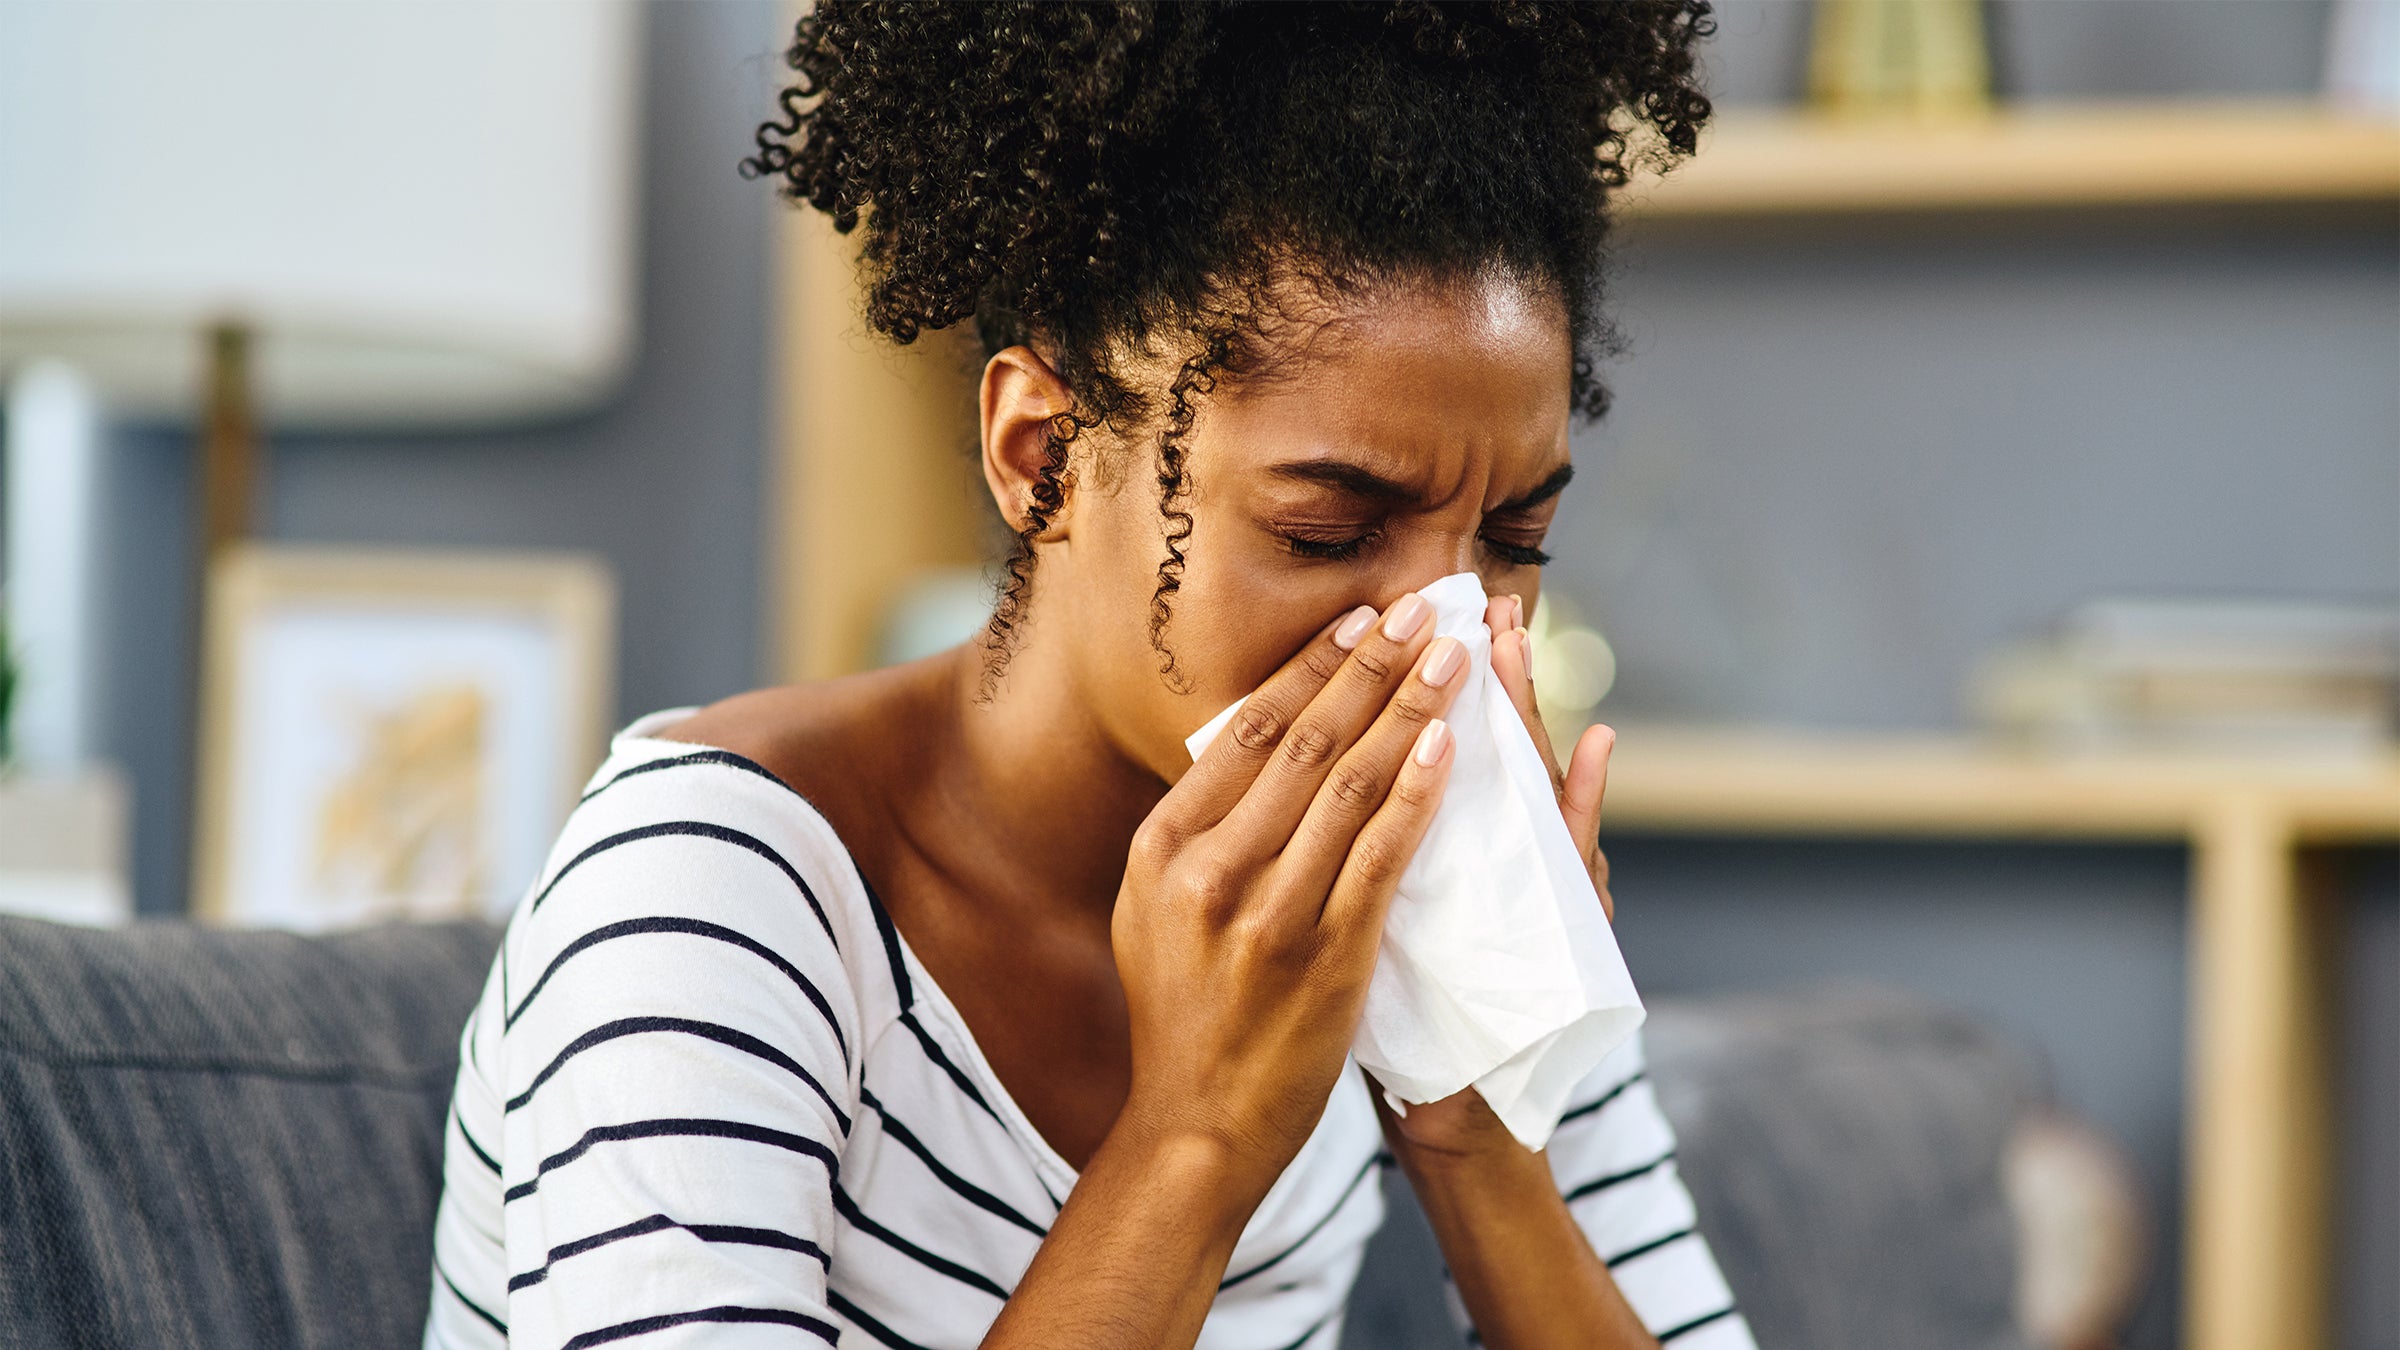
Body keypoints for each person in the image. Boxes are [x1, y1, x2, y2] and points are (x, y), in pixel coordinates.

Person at [424, 4, 1754, 1347]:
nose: (1439, 636)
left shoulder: (1429, 890)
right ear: (1042, 454)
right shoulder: (710, 890)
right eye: (1328, 532)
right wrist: (1199, 1131)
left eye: (1511, 539)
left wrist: (1476, 1120)